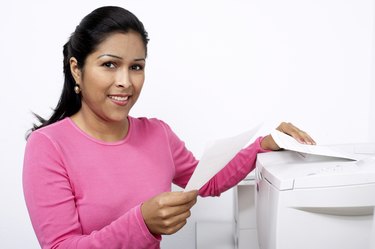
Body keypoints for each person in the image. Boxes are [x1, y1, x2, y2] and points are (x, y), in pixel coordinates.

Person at [23, 6, 316, 249]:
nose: (125, 81)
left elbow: (206, 182)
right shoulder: (48, 146)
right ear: (77, 68)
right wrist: (141, 223)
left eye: (136, 67)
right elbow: (60, 246)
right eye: (110, 65)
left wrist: (263, 144)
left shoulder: (157, 134)